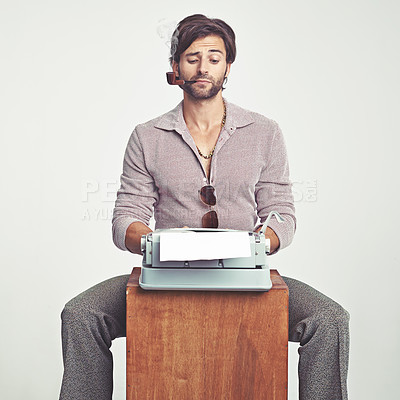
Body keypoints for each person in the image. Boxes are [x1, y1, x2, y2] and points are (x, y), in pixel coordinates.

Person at [59, 14, 350, 400]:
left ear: (228, 66)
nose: (203, 67)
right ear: (176, 66)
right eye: (192, 57)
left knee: (329, 319)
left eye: (214, 58)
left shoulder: (264, 131)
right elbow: (125, 217)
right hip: (165, 275)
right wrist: (157, 244)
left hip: (245, 274)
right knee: (80, 314)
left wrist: (262, 242)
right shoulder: (147, 136)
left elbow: (281, 211)